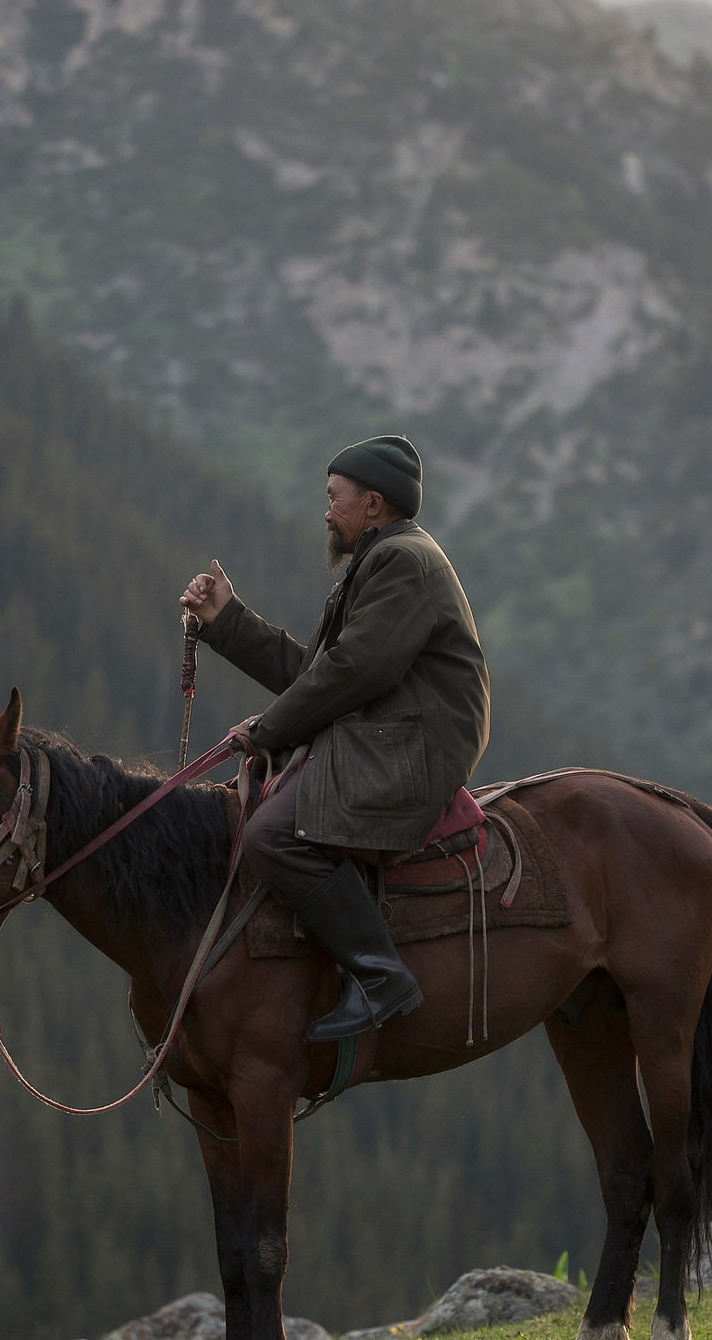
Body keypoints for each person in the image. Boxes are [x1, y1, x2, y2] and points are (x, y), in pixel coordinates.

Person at [179, 435, 491, 1041]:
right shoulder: (382, 559)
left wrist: (266, 732)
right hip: (385, 737)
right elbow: (321, 673)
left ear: (372, 505)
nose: (326, 511)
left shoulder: (403, 562)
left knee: (270, 836)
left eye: (334, 498)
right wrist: (228, 621)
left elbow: (353, 673)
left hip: (409, 751)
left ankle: (380, 975)